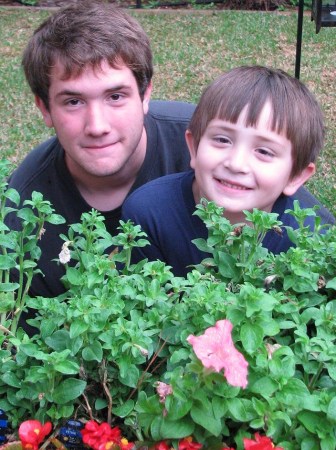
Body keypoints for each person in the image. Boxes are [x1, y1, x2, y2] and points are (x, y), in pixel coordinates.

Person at [6, 0, 195, 304]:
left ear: (145, 94)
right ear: (45, 109)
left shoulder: (208, 145)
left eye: (116, 96)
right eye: (73, 102)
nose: (97, 126)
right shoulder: (25, 218)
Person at [121, 66, 335, 277]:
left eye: (264, 151)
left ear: (296, 176)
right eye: (223, 139)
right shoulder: (148, 214)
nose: (236, 163)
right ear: (194, 148)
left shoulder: (315, 241)